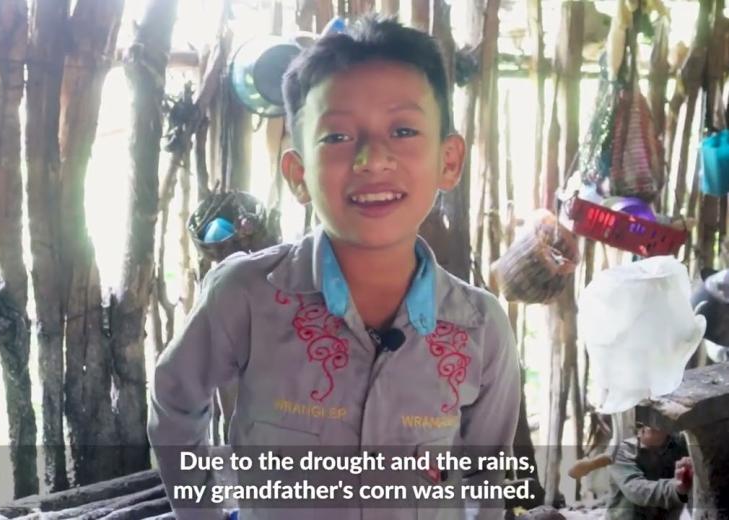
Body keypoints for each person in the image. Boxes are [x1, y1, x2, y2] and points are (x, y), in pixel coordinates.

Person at [148, 15, 521, 520]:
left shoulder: (479, 329)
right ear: (298, 175)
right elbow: (175, 405)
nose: (372, 158)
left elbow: (485, 479)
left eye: (404, 130)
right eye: (338, 137)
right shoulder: (246, 297)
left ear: (448, 161)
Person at [606, 424, 693, 520]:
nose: (645, 422)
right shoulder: (621, 450)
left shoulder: (681, 445)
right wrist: (676, 488)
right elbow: (636, 490)